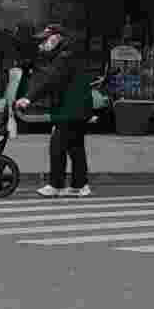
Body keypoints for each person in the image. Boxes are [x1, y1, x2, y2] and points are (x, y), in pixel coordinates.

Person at [39, 23, 102, 195]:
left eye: (46, 40)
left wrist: (28, 98)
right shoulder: (68, 53)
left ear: (57, 38)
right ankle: (79, 185)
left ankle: (56, 185)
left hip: (70, 110)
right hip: (77, 109)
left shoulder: (64, 57)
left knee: (57, 146)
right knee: (75, 147)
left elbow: (50, 81)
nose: (43, 43)